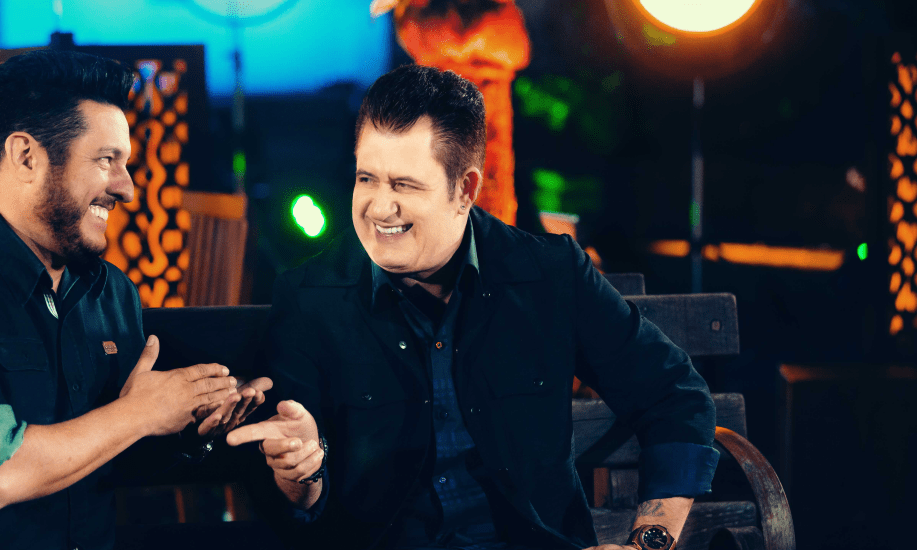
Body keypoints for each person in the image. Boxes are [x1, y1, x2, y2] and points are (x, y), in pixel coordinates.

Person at [228, 64, 719, 550]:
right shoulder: (308, 298)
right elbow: (300, 508)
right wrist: (302, 473)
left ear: (464, 190)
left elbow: (673, 394)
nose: (378, 207)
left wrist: (650, 542)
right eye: (366, 179)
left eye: (404, 185)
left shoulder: (551, 273)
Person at [0, 49, 270, 550]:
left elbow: (106, 448)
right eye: (106, 160)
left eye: (125, 163)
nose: (127, 188)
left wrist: (191, 423)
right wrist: (141, 413)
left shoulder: (111, 292)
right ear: (26, 157)